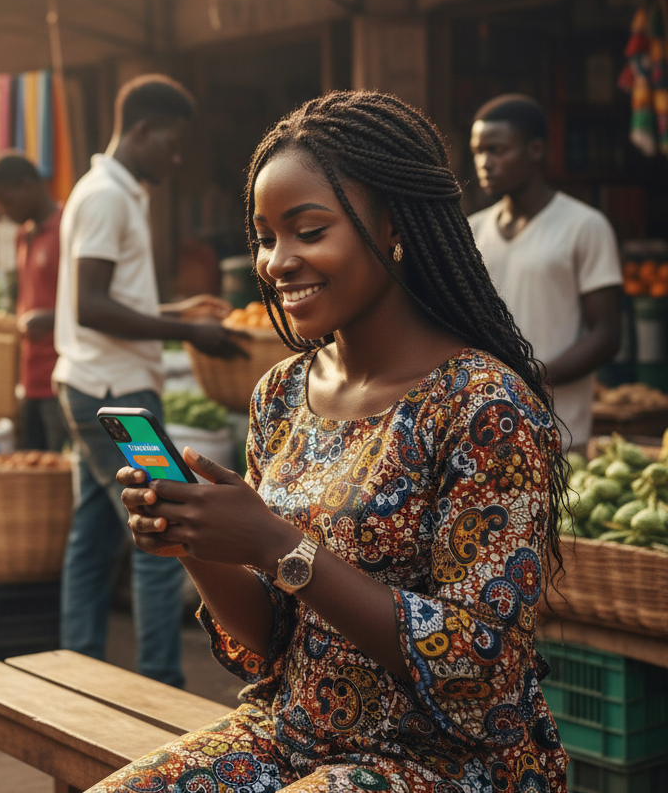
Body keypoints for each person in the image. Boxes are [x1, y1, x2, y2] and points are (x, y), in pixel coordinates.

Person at [100, 91, 568, 792]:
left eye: (309, 231)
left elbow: (483, 670)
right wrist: (195, 542)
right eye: (265, 237)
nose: (277, 261)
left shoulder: (484, 406)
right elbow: (271, 641)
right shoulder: (281, 395)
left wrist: (276, 545)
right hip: (292, 734)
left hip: (447, 765)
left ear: (394, 227)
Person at [53, 74, 245, 688]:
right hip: (113, 393)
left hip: (95, 383)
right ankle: (162, 686)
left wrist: (179, 316)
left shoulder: (110, 189)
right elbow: (91, 304)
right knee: (168, 539)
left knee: (91, 536)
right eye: (172, 141)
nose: (177, 155)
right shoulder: (108, 195)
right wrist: (188, 334)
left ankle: (75, 664)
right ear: (141, 130)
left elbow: (111, 298)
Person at [469, 94, 622, 451]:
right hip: (485, 432)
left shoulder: (585, 226)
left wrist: (532, 376)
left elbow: (607, 334)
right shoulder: (472, 232)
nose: (484, 163)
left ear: (536, 150)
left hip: (560, 433)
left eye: (497, 150)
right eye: (478, 151)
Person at [0, 151, 67, 451]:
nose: (3, 210)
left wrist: (47, 319)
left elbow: (87, 303)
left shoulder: (65, 229)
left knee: (57, 470)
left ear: (29, 185)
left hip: (58, 377)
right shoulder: (24, 235)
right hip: (29, 376)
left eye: (6, 199)